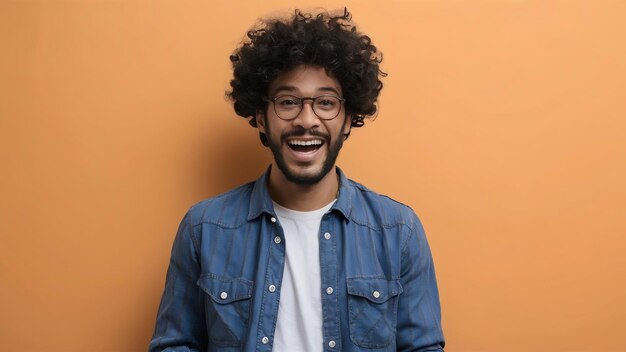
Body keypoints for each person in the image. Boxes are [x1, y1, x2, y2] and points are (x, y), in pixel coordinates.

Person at [149, 8, 445, 352]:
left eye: (325, 102)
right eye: (288, 102)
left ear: (348, 119)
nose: (307, 120)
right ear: (261, 117)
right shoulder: (204, 228)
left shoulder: (398, 231)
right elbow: (174, 345)